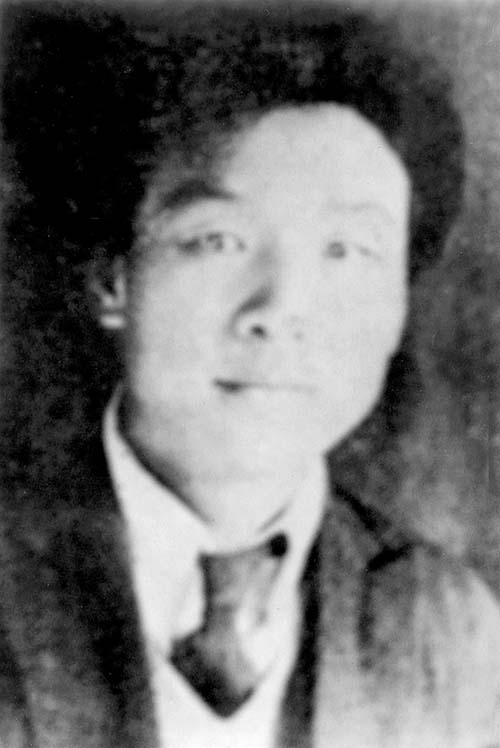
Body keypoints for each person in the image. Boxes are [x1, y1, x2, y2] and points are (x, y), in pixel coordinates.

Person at [0, 3, 499, 747]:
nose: (279, 310)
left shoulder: (452, 626)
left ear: (398, 305)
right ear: (114, 281)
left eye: (346, 252)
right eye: (218, 240)